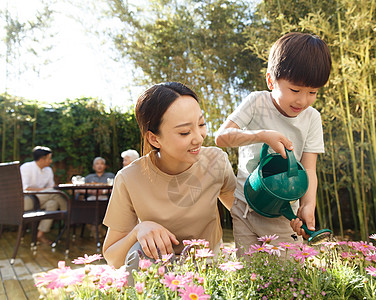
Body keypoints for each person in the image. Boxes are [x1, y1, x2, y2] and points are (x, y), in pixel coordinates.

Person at [102, 82, 236, 277]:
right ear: (154, 139)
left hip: (208, 273)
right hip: (156, 277)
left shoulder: (215, 161)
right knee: (140, 252)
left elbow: (243, 213)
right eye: (184, 132)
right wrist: (138, 230)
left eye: (201, 124)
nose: (199, 138)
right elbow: (112, 257)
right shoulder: (129, 178)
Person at [215, 32, 331, 255]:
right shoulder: (256, 102)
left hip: (283, 211)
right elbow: (222, 137)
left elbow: (309, 168)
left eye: (312, 92)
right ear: (271, 81)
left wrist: (308, 206)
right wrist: (261, 135)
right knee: (248, 273)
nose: (302, 100)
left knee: (288, 276)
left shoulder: (312, 118)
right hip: (245, 207)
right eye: (295, 90)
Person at [20, 146, 67, 244]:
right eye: (49, 158)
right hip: (25, 201)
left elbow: (51, 188)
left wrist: (48, 189)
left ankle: (40, 234)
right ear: (42, 159)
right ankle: (69, 213)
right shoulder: (27, 167)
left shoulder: (48, 170)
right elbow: (25, 188)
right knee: (53, 193)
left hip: (42, 200)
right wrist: (46, 190)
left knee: (52, 203)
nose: (51, 160)